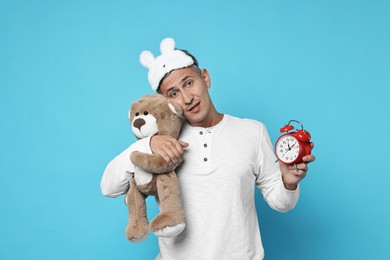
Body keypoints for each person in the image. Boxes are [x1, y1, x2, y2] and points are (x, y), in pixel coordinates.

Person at [101, 38, 316, 260]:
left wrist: (289, 183)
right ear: (166, 102)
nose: (187, 98)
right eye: (173, 93)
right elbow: (109, 187)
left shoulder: (253, 131)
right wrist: (147, 143)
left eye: (188, 83)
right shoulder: (159, 142)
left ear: (205, 78)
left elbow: (281, 203)